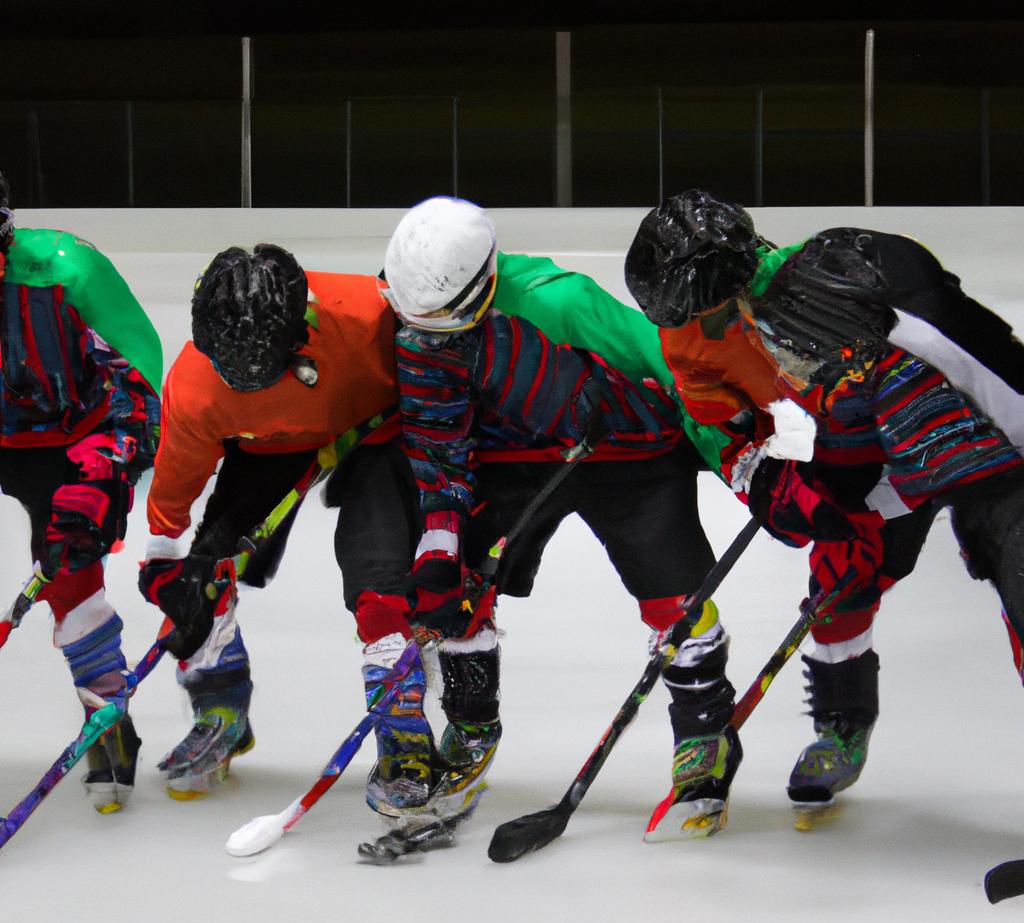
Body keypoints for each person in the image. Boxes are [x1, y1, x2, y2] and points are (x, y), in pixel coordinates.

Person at [624, 189, 1024, 818]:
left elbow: (956, 348)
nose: (675, 323)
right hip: (852, 456)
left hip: (947, 438)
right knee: (839, 580)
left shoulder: (837, 281)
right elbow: (720, 427)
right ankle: (843, 721)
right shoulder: (689, 342)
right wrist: (762, 480)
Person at [379, 195, 763, 840]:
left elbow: (680, 375)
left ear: (485, 285)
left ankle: (703, 728)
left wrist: (741, 464)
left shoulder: (564, 303)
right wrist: (440, 544)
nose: (427, 331)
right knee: (460, 589)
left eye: (445, 318)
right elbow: (435, 440)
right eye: (414, 317)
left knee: (674, 593)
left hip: (628, 453)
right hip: (515, 456)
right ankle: (471, 722)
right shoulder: (420, 320)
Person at [138, 244, 403, 798]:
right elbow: (180, 470)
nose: (247, 382)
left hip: (379, 436)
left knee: (381, 575)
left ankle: (408, 730)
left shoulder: (370, 312)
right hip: (271, 449)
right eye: (231, 372)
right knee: (203, 578)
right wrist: (164, 553)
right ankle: (221, 707)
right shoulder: (194, 386)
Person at [0, 170, 162, 813]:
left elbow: (141, 381)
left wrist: (104, 472)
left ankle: (107, 717)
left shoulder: (65, 273)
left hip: (70, 443)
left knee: (71, 577)